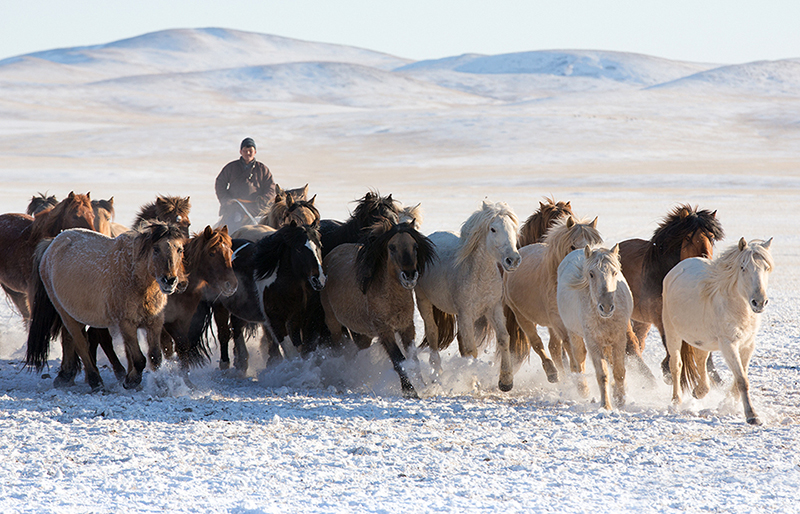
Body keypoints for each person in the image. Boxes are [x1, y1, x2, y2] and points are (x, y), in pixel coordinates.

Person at [215, 137, 276, 227]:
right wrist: (226, 199)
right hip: (236, 207)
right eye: (245, 150)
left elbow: (271, 187)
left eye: (250, 151)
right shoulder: (231, 167)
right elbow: (220, 183)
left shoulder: (262, 169)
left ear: (255, 152)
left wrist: (263, 199)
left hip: (257, 208)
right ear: (240, 152)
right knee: (232, 226)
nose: (248, 153)